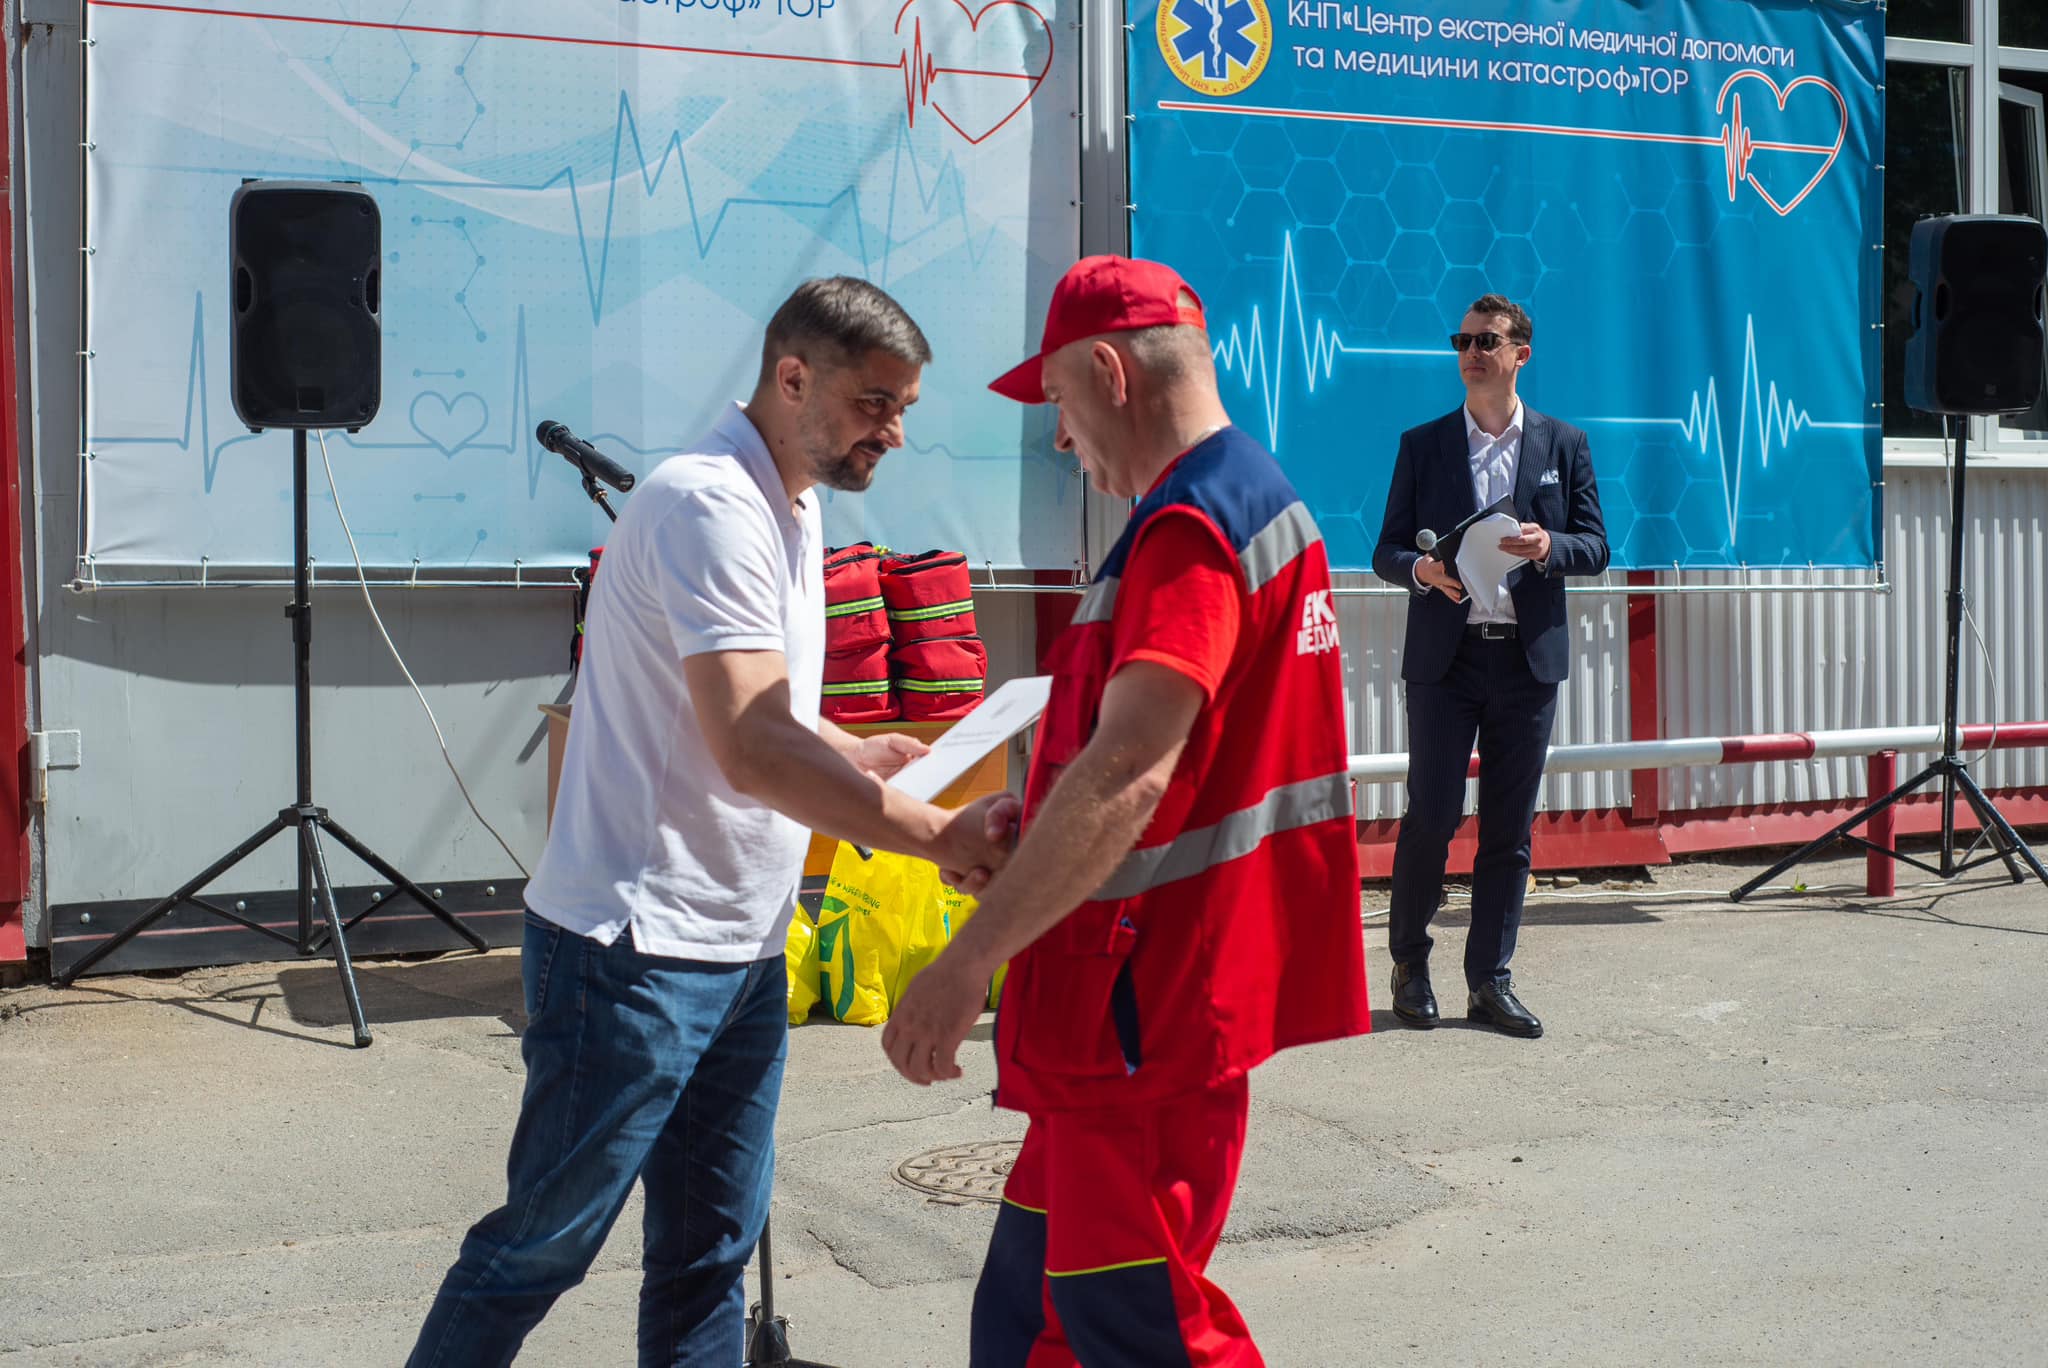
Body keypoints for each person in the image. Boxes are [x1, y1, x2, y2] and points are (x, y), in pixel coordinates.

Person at [407, 278, 1014, 1368]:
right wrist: (933, 832)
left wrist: (846, 747)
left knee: (707, 1257)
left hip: (738, 951)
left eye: (905, 407)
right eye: (878, 404)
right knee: (540, 1248)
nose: (898, 432)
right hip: (631, 953)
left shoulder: (791, 501)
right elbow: (747, 746)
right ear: (792, 378)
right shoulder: (707, 504)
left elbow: (753, 709)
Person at [881, 256, 1370, 1367]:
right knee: (1027, 1322)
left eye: (1056, 401)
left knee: (1136, 1329)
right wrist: (1033, 822)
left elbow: (1133, 774)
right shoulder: (1243, 505)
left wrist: (966, 961)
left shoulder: (1189, 530)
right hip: (1135, 1008)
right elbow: (1150, 769)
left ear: (1108, 372)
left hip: (1137, 1010)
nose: (1060, 437)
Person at [1370, 292, 1609, 1039]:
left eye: (1488, 340)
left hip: (1527, 663)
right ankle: (1410, 966)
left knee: (1508, 831)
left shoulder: (1563, 444)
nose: (1472, 352)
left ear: (1520, 354)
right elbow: (1386, 550)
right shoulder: (1425, 444)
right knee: (1432, 817)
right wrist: (1421, 573)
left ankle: (1490, 982)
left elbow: (1597, 547)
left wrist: (1550, 549)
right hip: (1447, 662)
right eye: (1463, 340)